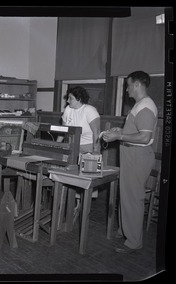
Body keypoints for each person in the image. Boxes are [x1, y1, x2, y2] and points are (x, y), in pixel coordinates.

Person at [102, 71, 157, 254]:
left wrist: (119, 135)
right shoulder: (139, 105)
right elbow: (136, 130)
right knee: (126, 195)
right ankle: (125, 230)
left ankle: (134, 242)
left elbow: (144, 136)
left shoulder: (146, 106)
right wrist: (121, 130)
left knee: (133, 198)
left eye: (128, 85)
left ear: (137, 85)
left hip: (137, 155)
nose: (126, 89)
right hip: (131, 154)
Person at [57, 86, 101, 221]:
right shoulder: (68, 110)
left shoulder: (89, 110)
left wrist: (95, 152)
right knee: (71, 179)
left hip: (89, 148)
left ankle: (84, 210)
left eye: (70, 98)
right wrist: (57, 146)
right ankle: (76, 206)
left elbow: (96, 132)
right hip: (72, 147)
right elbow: (63, 130)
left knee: (87, 182)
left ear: (79, 99)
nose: (68, 101)